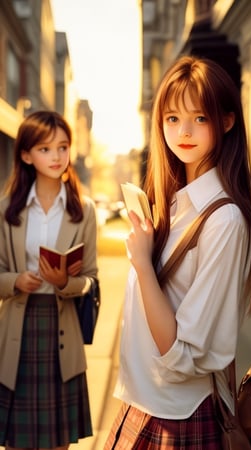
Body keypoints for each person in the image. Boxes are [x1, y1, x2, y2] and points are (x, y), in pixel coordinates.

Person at [104, 55, 251, 449]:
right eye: (172, 118)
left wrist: (142, 264)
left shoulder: (224, 220)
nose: (184, 131)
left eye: (200, 118)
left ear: (226, 121)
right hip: (140, 403)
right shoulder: (174, 207)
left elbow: (182, 352)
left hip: (179, 416)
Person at [0, 110, 98, 450]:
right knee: (16, 441)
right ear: (26, 155)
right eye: (45, 149)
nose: (56, 157)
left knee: (59, 443)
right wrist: (15, 281)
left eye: (62, 147)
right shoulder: (6, 210)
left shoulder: (84, 210)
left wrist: (63, 282)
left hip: (62, 332)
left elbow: (90, 280)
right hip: (17, 332)